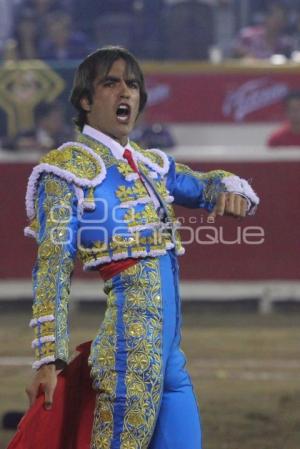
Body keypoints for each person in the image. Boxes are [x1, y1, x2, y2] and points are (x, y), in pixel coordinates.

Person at [18, 46, 259, 449]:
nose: (124, 92)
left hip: (169, 359)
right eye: (110, 83)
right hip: (128, 357)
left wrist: (234, 190)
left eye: (132, 84)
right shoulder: (64, 171)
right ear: (85, 99)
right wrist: (49, 360)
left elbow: (206, 185)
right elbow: (52, 268)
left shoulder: (151, 164)